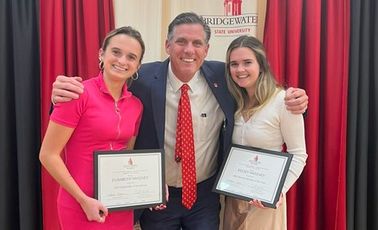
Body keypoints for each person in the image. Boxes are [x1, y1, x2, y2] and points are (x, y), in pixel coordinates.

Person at [50, 12, 308, 230]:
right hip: (158, 198)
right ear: (167, 45)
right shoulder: (143, 77)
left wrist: (294, 100)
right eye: (181, 41)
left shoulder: (225, 75)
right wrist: (61, 94)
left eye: (197, 43)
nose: (189, 50)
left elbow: (257, 91)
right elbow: (108, 84)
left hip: (205, 196)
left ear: (207, 49)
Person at [39, 26, 145, 229]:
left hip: (119, 204)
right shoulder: (77, 94)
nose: (122, 61)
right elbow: (48, 155)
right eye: (116, 52)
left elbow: (127, 156)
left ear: (138, 65)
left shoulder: (136, 106)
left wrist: (150, 187)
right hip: (80, 204)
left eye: (131, 57)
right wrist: (83, 199)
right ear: (101, 53)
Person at [222, 35, 308, 230]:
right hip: (233, 198)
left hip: (265, 200)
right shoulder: (232, 102)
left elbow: (299, 154)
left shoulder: (284, 101)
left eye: (247, 62)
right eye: (234, 64)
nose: (240, 69)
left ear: (261, 65)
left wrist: (278, 191)